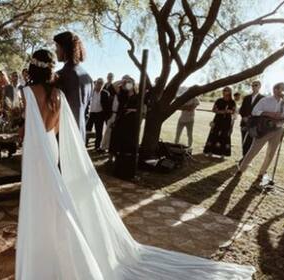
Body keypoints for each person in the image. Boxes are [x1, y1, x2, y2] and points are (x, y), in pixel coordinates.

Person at [15, 49, 255, 280]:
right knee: (52, 194)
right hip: (51, 146)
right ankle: (52, 239)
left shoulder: (29, 92)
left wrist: (21, 133)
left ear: (33, 68)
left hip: (37, 149)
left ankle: (41, 241)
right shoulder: (58, 95)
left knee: (38, 195)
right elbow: (54, 128)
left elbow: (28, 129)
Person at [236, 82, 284, 185]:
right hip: (264, 129)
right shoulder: (265, 100)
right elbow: (255, 111)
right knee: (253, 150)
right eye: (282, 89)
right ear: (275, 89)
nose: (283, 91)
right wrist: (268, 113)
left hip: (278, 130)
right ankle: (241, 169)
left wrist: (282, 118)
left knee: (271, 153)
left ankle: (261, 173)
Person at [54, 31, 93, 141]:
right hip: (80, 135)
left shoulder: (60, 76)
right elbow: (86, 113)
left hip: (63, 137)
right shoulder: (88, 78)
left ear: (64, 49)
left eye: (57, 47)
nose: (55, 51)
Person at [109, 77, 139, 158]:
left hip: (130, 121)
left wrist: (132, 110)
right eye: (127, 83)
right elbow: (114, 87)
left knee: (127, 139)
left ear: (133, 85)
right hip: (120, 119)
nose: (128, 85)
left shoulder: (137, 96)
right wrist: (122, 82)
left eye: (130, 83)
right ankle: (112, 156)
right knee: (115, 137)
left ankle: (124, 156)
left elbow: (140, 109)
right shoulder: (122, 95)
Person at [203, 87, 236, 158]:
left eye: (226, 90)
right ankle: (210, 152)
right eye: (224, 90)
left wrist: (229, 111)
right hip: (217, 120)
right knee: (214, 134)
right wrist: (221, 111)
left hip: (227, 121)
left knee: (225, 135)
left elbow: (234, 111)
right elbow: (213, 109)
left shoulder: (232, 102)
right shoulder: (219, 100)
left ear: (230, 92)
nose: (224, 91)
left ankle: (223, 154)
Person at [239, 81, 264, 157]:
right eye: (252, 85)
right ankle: (243, 157)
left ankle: (248, 159)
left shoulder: (263, 98)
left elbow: (262, 111)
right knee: (244, 141)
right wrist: (244, 117)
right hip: (244, 122)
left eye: (256, 85)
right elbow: (242, 110)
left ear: (260, 86)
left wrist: (252, 118)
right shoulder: (246, 97)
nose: (253, 87)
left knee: (251, 142)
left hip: (255, 124)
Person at [86, 78, 109, 151]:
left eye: (101, 84)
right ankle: (85, 143)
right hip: (91, 114)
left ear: (103, 85)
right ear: (95, 84)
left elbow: (107, 106)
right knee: (87, 129)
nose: (99, 85)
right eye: (97, 83)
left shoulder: (105, 94)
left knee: (99, 131)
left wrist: (106, 116)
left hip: (100, 114)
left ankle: (97, 146)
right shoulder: (91, 92)